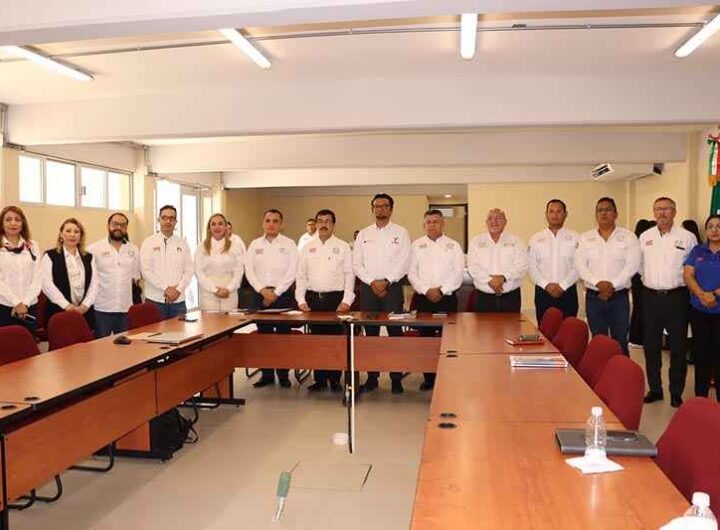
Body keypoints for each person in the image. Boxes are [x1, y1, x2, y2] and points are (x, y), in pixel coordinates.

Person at [639, 198, 696, 408]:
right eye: (658, 209)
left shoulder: (687, 237)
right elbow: (639, 266)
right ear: (654, 212)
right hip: (651, 297)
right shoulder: (645, 237)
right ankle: (655, 389)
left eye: (666, 209)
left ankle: (676, 392)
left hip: (677, 298)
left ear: (674, 212)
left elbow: (692, 268)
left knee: (678, 347)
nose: (662, 213)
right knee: (651, 346)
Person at [353, 193, 411, 394]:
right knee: (371, 335)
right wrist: (372, 282)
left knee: (395, 333)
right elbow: (357, 263)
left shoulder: (401, 233)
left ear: (391, 209)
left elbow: (404, 261)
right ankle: (372, 378)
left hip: (392, 288)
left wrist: (386, 281)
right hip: (368, 289)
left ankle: (396, 378)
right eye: (377, 206)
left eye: (384, 206)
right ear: (373, 209)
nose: (380, 209)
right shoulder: (364, 234)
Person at [296, 209, 354, 392]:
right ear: (315, 224)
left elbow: (349, 274)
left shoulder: (343, 246)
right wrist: (300, 299)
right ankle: (319, 379)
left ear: (333, 224)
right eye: (320, 221)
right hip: (314, 299)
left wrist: (347, 300)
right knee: (317, 341)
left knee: (335, 341)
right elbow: (301, 275)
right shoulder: (307, 247)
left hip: (335, 299)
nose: (323, 224)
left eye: (327, 221)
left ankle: (335, 379)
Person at [575, 197, 640, 355]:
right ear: (596, 215)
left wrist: (612, 285)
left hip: (619, 296)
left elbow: (632, 265)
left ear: (616, 214)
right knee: (598, 340)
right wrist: (598, 283)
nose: (604, 213)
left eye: (608, 210)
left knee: (620, 340)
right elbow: (580, 265)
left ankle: (622, 371)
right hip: (594, 296)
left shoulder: (629, 237)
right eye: (600, 210)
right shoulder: (585, 238)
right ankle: (600, 371)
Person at [408, 210, 464, 390]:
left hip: (446, 298)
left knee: (448, 340)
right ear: (424, 225)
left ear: (443, 224)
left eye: (436, 221)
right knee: (426, 340)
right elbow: (411, 273)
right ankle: (429, 379)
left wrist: (441, 290)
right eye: (429, 222)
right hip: (424, 298)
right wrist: (426, 290)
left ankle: (448, 376)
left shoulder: (453, 246)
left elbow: (458, 273)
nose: (432, 225)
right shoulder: (416, 245)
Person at [245, 209, 298, 388]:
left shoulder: (289, 244)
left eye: (275, 221)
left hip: (283, 296)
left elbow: (292, 271)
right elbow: (249, 271)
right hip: (259, 296)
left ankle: (283, 375)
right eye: (268, 220)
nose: (271, 224)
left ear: (281, 224)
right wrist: (262, 291)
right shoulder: (254, 245)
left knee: (283, 338)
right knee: (264, 338)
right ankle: (266, 374)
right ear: (263, 223)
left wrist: (276, 293)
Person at [684, 215, 720, 402]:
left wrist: (714, 294)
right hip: (699, 311)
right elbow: (688, 275)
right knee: (701, 355)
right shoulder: (697, 250)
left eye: (718, 226)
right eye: (710, 226)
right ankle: (700, 399)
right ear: (706, 231)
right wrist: (701, 295)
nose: (714, 230)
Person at [87, 213, 141, 337]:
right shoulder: (94, 249)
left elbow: (135, 279)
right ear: (108, 226)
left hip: (125, 308)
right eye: (115, 224)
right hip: (102, 309)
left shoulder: (133, 249)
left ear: (126, 228)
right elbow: (89, 280)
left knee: (124, 345)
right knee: (100, 346)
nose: (119, 227)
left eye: (123, 225)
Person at [528, 199, 579, 324]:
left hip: (568, 292)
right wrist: (546, 285)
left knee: (569, 330)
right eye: (551, 211)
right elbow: (531, 266)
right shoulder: (536, 238)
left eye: (559, 212)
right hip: (543, 292)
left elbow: (579, 265)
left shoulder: (576, 237)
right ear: (546, 215)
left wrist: (563, 285)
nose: (555, 215)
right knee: (545, 331)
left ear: (565, 214)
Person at [41, 218, 98, 329]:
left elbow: (94, 283)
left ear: (81, 236)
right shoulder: (50, 255)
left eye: (76, 232)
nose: (72, 235)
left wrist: (85, 305)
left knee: (86, 340)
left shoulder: (89, 257)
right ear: (61, 234)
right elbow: (46, 284)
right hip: (59, 312)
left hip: (85, 313)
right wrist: (66, 306)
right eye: (68, 231)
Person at [467, 209, 528, 312]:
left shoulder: (516, 241)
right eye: (490, 219)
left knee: (512, 323)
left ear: (505, 222)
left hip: (510, 298)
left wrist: (503, 278)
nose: (494, 222)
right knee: (483, 324)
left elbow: (522, 265)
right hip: (483, 298)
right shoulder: (476, 241)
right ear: (486, 222)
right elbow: (473, 267)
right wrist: (489, 280)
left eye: (498, 218)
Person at [140, 205, 194, 318]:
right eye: (164, 218)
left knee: (180, 330)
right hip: (154, 301)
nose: (168, 221)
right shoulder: (149, 242)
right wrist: (165, 288)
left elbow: (189, 270)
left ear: (175, 222)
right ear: (158, 220)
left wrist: (178, 290)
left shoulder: (182, 243)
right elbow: (145, 270)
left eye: (171, 218)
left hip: (178, 302)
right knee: (155, 330)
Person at [0, 206, 42, 329]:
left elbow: (38, 277)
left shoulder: (33, 246)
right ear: (2, 223)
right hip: (5, 306)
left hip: (29, 306)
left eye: (17, 219)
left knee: (28, 340)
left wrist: (25, 303)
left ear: (22, 223)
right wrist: (16, 303)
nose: (13, 223)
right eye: (8, 219)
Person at [195, 213, 244, 312]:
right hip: (208, 292)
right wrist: (214, 289)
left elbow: (239, 271)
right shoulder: (201, 247)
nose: (217, 227)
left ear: (226, 227)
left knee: (229, 320)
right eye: (213, 224)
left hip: (229, 292)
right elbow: (198, 272)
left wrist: (228, 289)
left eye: (220, 224)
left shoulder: (234, 247)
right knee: (210, 321)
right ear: (209, 228)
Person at [629, 219, 656, 347]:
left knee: (638, 308)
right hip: (641, 278)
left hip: (638, 278)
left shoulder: (636, 242)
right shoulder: (642, 242)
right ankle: (638, 338)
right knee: (641, 309)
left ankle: (636, 337)